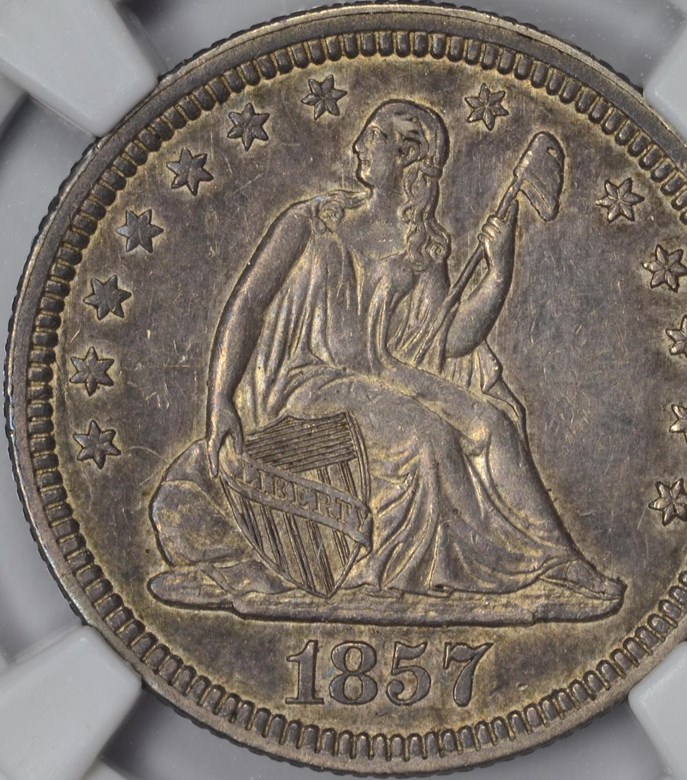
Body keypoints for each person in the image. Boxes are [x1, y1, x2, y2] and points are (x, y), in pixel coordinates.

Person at [149, 99, 624, 614]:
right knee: (427, 435)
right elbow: (247, 304)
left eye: (373, 136)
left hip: (380, 375)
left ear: (405, 156)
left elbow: (449, 341)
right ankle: (460, 573)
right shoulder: (313, 221)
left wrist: (497, 273)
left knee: (493, 423)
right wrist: (220, 399)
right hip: (304, 384)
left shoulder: (421, 245)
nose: (358, 145)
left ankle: (556, 562)